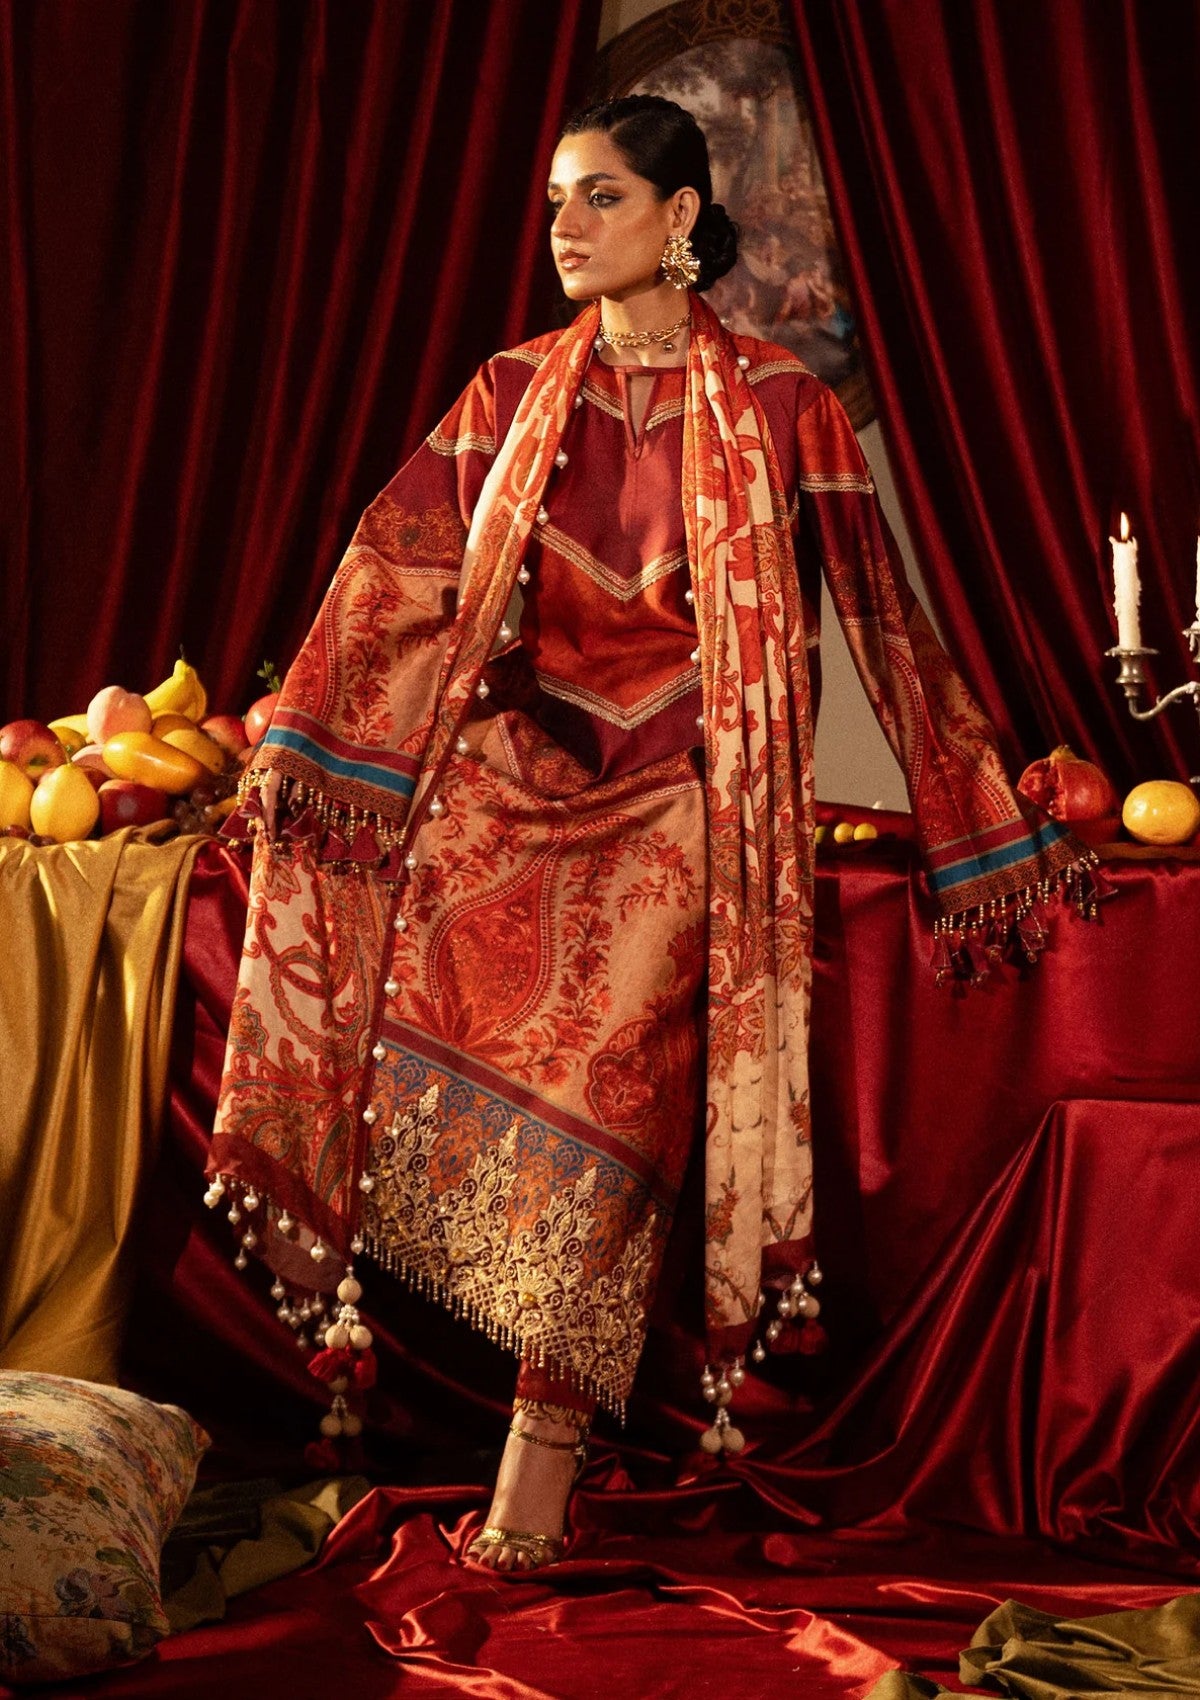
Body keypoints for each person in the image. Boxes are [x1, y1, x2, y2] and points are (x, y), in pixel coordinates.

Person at [207, 95, 1096, 1573]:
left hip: (696, 790)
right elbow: (395, 570)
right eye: (557, 200)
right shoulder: (508, 392)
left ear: (682, 216)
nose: (565, 227)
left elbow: (886, 618)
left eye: (601, 196)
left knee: (619, 1070)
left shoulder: (787, 407)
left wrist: (982, 822)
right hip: (522, 777)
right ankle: (426, 1357)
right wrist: (305, 752)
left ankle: (540, 1446)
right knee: (384, 952)